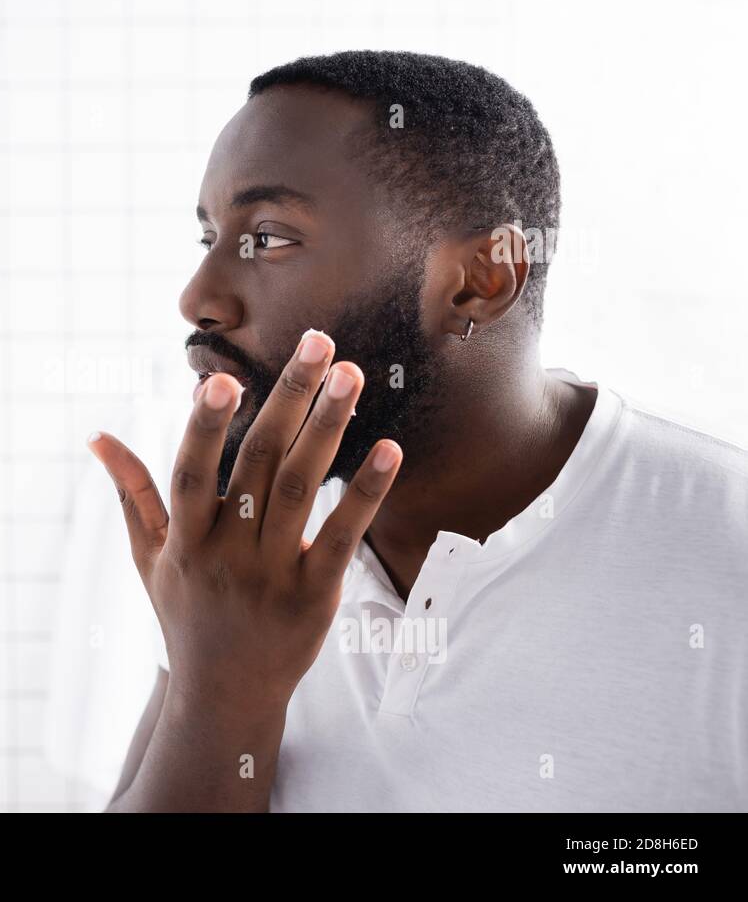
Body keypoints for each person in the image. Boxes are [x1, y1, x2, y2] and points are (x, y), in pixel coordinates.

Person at [85, 51, 748, 812]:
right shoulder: (233, 556)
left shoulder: (725, 547)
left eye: (267, 238)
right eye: (211, 238)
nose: (199, 297)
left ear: (480, 280)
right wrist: (219, 694)